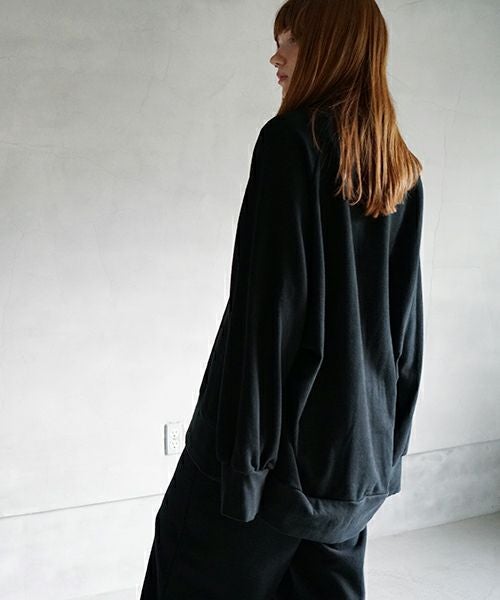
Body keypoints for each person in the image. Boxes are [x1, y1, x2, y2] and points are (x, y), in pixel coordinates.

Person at [140, 0, 424, 598]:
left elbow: (267, 319)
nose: (276, 57)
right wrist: (386, 452)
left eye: (289, 40)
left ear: (328, 47)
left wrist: (242, 470)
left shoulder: (291, 143)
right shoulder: (399, 166)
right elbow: (405, 330)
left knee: (186, 574)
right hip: (352, 457)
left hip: (270, 456)